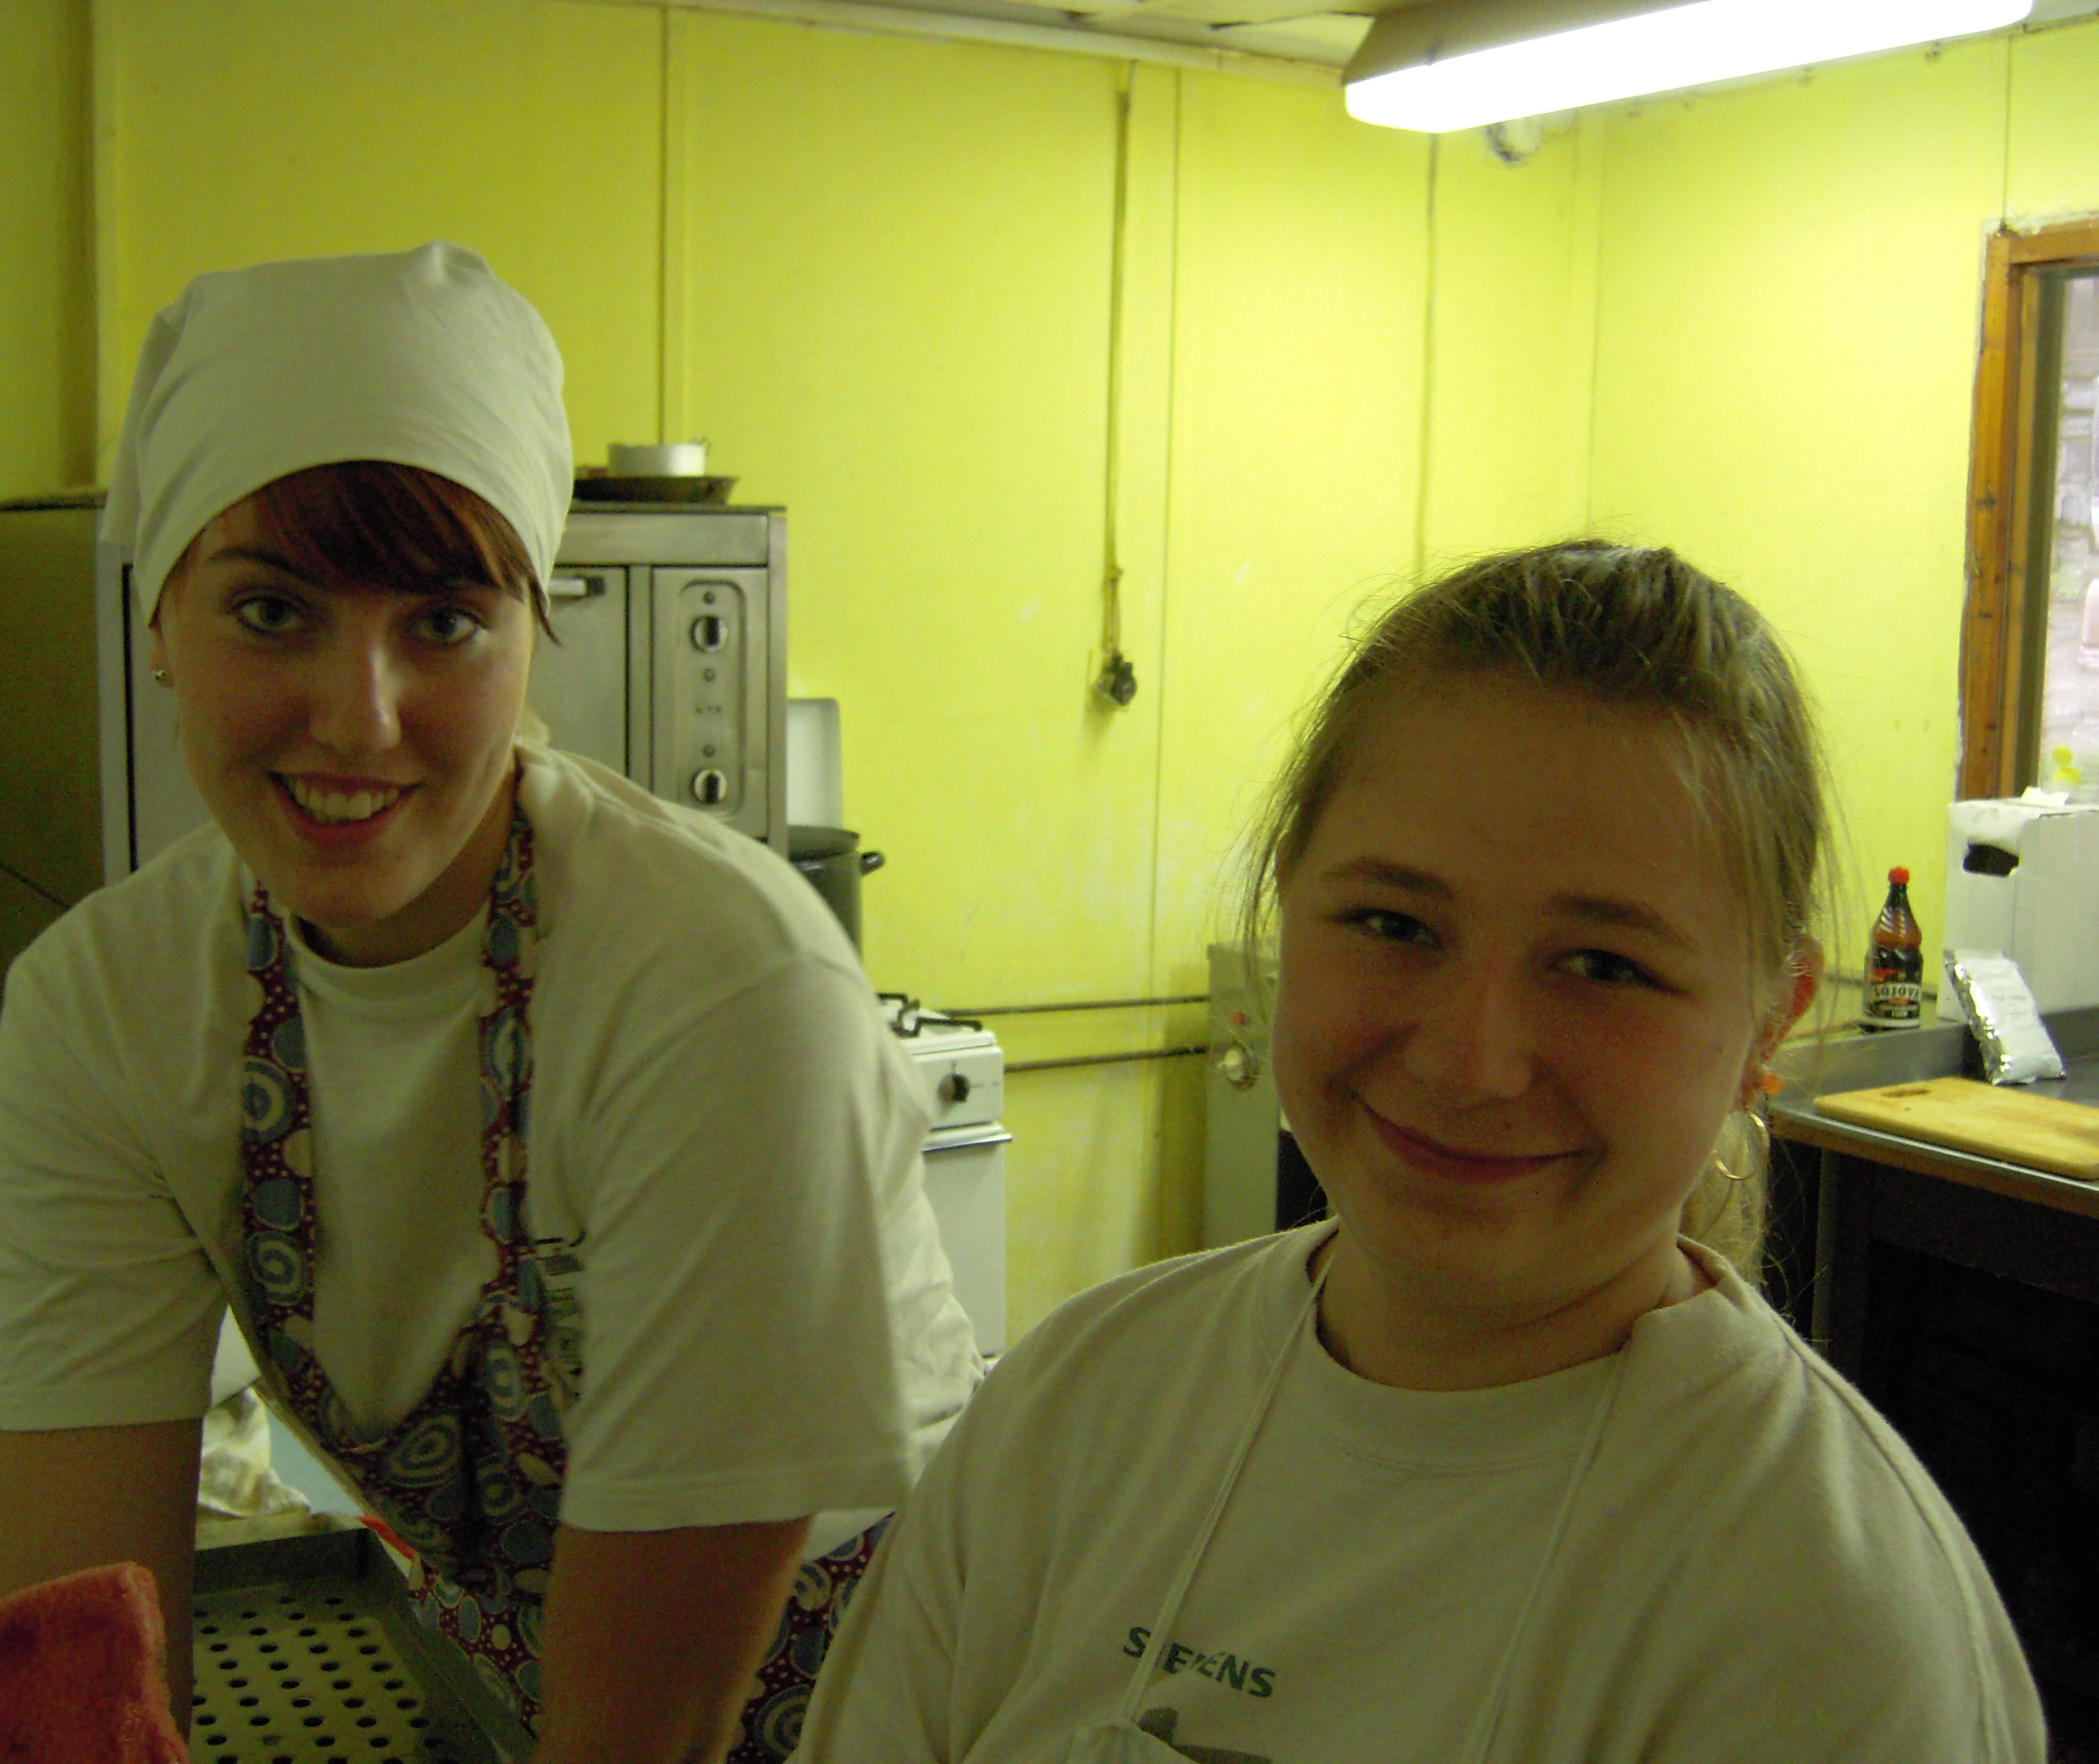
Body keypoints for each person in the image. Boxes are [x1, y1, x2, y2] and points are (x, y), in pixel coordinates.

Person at [0, 244, 980, 1764]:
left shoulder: (718, 989)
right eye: (271, 611)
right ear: (157, 622)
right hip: (537, 1683)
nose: (359, 718)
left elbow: (648, 1726)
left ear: (526, 637)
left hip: (909, 1698)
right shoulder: (106, 1010)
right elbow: (74, 1639)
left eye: (442, 621)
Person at [796, 542, 2046, 1763]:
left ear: (1769, 1024)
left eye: (1603, 965)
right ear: (1289, 909)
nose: (1468, 1062)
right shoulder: (1074, 1412)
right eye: (1394, 924)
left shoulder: (1828, 1624)